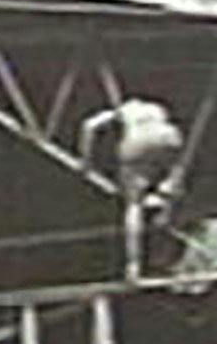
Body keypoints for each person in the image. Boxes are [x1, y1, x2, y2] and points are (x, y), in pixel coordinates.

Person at [79, 98, 185, 278]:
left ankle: (133, 264)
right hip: (169, 136)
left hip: (138, 142)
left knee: (133, 205)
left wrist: (86, 161)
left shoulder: (127, 108)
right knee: (174, 179)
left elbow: (89, 125)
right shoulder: (157, 108)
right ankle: (165, 204)